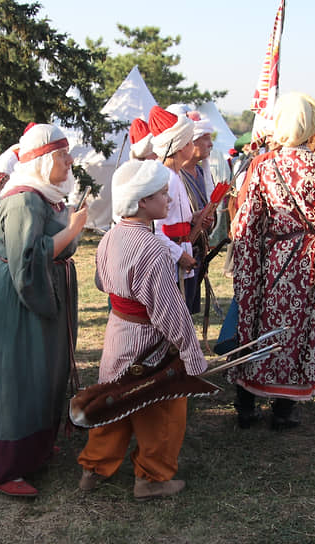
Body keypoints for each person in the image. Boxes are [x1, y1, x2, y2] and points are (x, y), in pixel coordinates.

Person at [77, 160, 208, 499]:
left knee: (113, 398)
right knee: (161, 404)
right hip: (149, 340)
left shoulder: (110, 236)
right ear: (142, 201)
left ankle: (93, 469)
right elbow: (168, 311)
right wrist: (191, 356)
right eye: (161, 193)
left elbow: (101, 281)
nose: (168, 198)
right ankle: (152, 479)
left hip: (118, 333)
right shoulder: (151, 249)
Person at [228, 92, 315, 429]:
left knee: (260, 324)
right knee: (298, 329)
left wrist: (248, 264)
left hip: (272, 260)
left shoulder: (265, 166)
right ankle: (284, 411)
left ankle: (246, 404)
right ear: (313, 125)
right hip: (308, 262)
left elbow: (247, 223)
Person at [0, 124, 87, 497]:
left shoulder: (45, 194)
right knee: (20, 376)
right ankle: (7, 467)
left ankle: (36, 449)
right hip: (25, 298)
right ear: (43, 161)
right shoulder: (24, 199)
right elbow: (28, 259)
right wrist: (72, 230)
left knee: (43, 373)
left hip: (43, 290)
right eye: (63, 155)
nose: (70, 161)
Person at [148, 106, 205, 290]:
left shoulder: (174, 174)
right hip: (171, 264)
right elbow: (152, 229)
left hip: (180, 257)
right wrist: (179, 255)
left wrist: (193, 218)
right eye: (191, 142)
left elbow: (174, 216)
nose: (194, 146)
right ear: (182, 146)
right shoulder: (165, 178)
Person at [179, 112, 217, 313]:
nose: (210, 143)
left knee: (189, 310)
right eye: (206, 138)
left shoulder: (202, 174)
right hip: (181, 252)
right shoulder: (176, 176)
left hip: (198, 252)